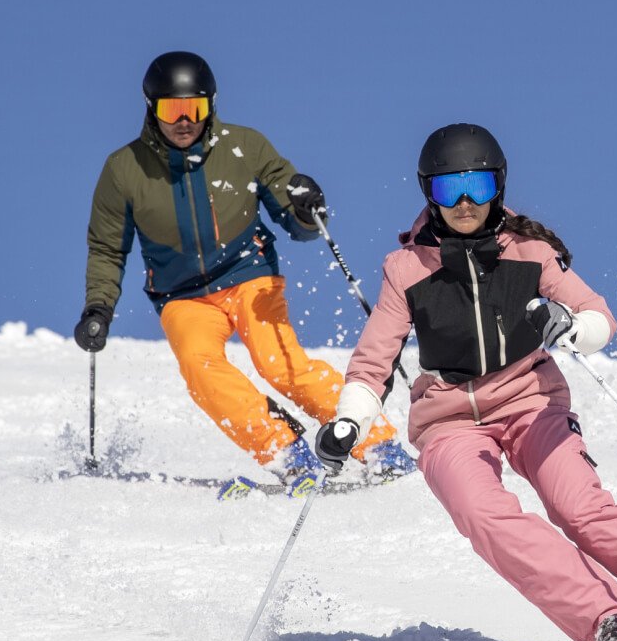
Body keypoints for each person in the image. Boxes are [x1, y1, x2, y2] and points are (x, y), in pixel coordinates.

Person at [311, 123, 617, 641]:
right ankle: (612, 624)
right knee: (485, 517)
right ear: (427, 193)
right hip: (448, 421)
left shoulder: (529, 251)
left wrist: (569, 325)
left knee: (581, 510)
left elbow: (597, 316)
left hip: (532, 402)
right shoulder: (406, 269)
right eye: (447, 189)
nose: (464, 202)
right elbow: (374, 361)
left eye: (477, 187)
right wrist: (350, 420)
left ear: (498, 188)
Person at [75, 51, 413, 498]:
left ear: (210, 105)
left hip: (248, 275)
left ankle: (378, 445)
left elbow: (295, 220)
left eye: (193, 109)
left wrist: (306, 209)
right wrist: (99, 306)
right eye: (170, 110)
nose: (183, 122)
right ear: (150, 108)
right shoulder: (124, 169)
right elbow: (106, 247)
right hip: (182, 297)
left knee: (279, 363)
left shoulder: (243, 147)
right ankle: (285, 449)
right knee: (200, 368)